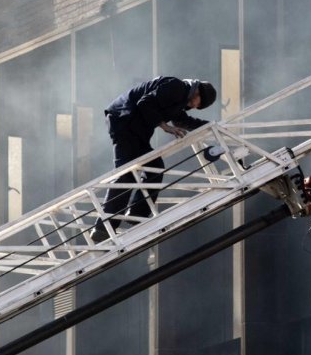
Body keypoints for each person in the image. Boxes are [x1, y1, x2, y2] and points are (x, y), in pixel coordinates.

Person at [92, 76, 217, 242]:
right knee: (126, 174)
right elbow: (145, 103)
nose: (194, 107)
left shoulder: (180, 98)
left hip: (136, 129)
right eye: (198, 104)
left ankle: (137, 214)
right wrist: (165, 126)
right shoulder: (176, 87)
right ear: (197, 93)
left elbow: (182, 120)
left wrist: (211, 126)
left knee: (155, 168)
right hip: (124, 121)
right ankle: (103, 227)